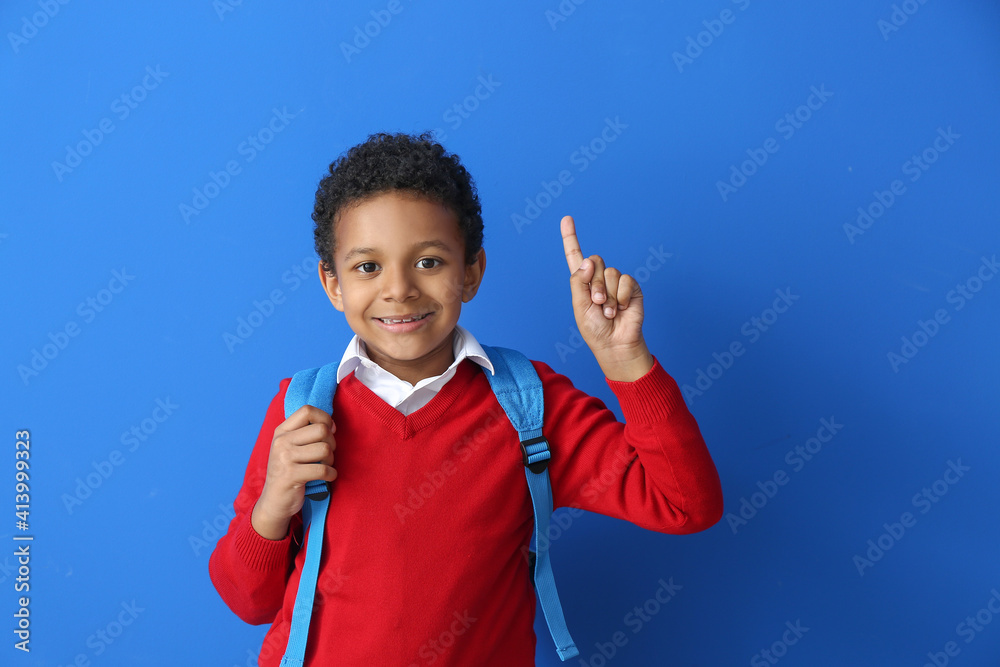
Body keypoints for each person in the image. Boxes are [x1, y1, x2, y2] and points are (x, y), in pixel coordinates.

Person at [209, 131, 724, 666]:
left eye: (429, 261)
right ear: (333, 283)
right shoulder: (304, 408)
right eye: (368, 267)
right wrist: (273, 505)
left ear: (471, 271)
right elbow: (248, 600)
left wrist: (625, 361)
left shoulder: (529, 405)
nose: (399, 289)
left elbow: (685, 504)